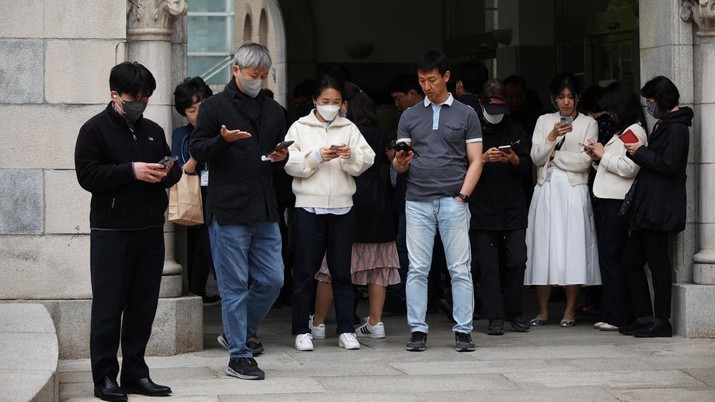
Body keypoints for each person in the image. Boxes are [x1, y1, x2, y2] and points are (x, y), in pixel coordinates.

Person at [75, 61, 180, 401]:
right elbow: (88, 176)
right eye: (135, 97)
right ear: (115, 95)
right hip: (111, 231)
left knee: (142, 307)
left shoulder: (152, 129)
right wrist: (130, 171)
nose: (141, 102)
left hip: (150, 230)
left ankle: (136, 373)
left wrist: (169, 171)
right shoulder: (93, 130)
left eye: (146, 97)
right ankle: (104, 377)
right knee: (108, 308)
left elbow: (172, 171)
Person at [190, 42, 287, 380]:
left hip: (264, 206)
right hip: (228, 208)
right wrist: (223, 141)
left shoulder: (275, 111)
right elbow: (198, 149)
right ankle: (239, 355)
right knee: (233, 286)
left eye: (262, 75)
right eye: (251, 74)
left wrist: (282, 157)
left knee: (273, 279)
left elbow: (282, 150)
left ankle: (236, 331)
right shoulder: (214, 107)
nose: (257, 80)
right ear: (235, 70)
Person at [393, 50, 483, 352]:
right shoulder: (409, 115)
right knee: (417, 268)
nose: (426, 86)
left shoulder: (467, 114)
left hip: (452, 200)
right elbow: (399, 164)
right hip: (417, 199)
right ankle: (417, 330)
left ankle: (463, 330)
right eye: (421, 81)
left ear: (446, 77)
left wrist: (462, 196)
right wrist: (400, 163)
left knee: (459, 268)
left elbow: (476, 160)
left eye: (431, 80)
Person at [284, 74, 375, 352]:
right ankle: (302, 329)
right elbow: (289, 161)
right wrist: (317, 157)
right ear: (314, 100)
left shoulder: (348, 127)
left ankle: (346, 329)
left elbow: (366, 159)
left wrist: (350, 157)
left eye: (336, 102)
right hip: (308, 208)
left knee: (341, 273)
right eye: (325, 101)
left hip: (342, 207)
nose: (331, 106)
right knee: (304, 272)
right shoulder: (299, 127)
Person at [310, 82, 400, 340]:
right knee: (379, 265)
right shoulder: (376, 129)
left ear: (346, 105)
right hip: (378, 200)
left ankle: (317, 323)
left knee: (331, 266)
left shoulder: (347, 131)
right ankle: (376, 322)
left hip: (349, 197)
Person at [524, 72, 601, 328]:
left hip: (573, 189)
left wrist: (555, 156)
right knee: (543, 247)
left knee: (573, 248)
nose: (566, 102)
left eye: (570, 97)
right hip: (546, 188)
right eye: (561, 97)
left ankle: (569, 310)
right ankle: (543, 311)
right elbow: (535, 157)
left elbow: (584, 162)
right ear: (553, 99)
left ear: (578, 98)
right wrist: (552, 138)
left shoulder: (589, 123)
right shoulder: (544, 121)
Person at [619, 76, 693, 338]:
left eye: (651, 101)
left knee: (658, 262)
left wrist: (640, 151)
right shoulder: (666, 125)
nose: (649, 107)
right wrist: (637, 151)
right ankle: (645, 317)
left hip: (660, 208)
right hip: (649, 206)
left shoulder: (677, 128)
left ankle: (661, 321)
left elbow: (669, 165)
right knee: (632, 260)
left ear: (661, 100)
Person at [583, 83, 647, 332]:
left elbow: (631, 167)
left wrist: (603, 155)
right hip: (607, 199)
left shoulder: (634, 132)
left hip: (617, 203)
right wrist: (597, 157)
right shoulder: (624, 131)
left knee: (612, 257)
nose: (608, 115)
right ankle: (611, 311)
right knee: (608, 257)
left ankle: (618, 315)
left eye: (611, 110)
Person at [469, 79, 531, 335]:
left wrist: (514, 158)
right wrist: (482, 160)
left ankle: (515, 311)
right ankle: (494, 316)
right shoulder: (472, 130)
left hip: (513, 205)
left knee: (517, 260)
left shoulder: (516, 129)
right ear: (481, 104)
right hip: (483, 206)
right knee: (489, 266)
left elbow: (528, 168)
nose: (497, 117)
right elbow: (462, 168)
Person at [171, 77, 219, 306]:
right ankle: (198, 290)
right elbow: (182, 169)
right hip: (196, 198)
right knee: (202, 248)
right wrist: (198, 153)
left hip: (221, 197)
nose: (198, 114)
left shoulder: (222, 129)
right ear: (184, 112)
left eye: (203, 107)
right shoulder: (181, 136)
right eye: (192, 110)